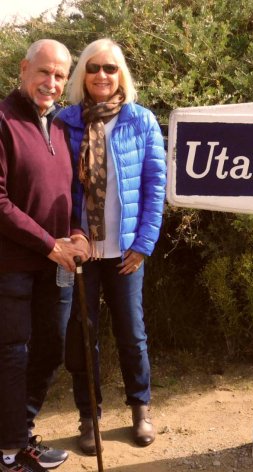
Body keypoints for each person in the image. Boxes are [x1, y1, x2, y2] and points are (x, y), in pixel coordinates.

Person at [57, 38, 166, 455]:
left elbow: (155, 186)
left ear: (122, 74)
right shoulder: (64, 122)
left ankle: (141, 409)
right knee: (82, 336)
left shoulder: (141, 121)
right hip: (80, 254)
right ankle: (89, 418)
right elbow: (56, 189)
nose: (102, 75)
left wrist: (144, 243)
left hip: (126, 251)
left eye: (110, 68)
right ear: (82, 75)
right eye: (93, 67)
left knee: (132, 334)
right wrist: (70, 235)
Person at [0, 39, 90, 472]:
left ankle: (21, 434)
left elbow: (67, 193)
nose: (51, 83)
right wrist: (49, 244)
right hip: (12, 267)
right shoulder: (2, 120)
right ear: (24, 69)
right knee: (12, 355)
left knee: (50, 351)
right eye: (44, 72)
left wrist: (75, 232)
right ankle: (9, 450)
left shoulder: (56, 126)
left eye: (59, 75)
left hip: (56, 266)